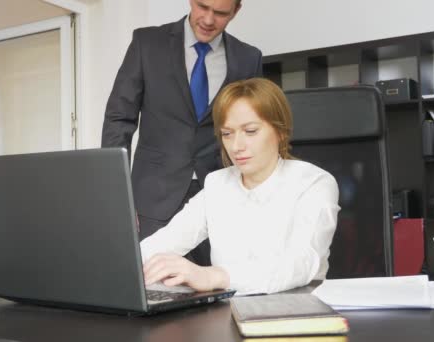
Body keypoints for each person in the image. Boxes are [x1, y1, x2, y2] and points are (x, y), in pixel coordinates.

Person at [140, 78, 341, 295]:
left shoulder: (314, 183)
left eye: (251, 131)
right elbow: (165, 241)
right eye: (227, 134)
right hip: (227, 313)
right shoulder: (217, 184)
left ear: (281, 132)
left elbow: (301, 263)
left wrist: (212, 276)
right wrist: (121, 266)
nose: (236, 147)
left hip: (294, 312)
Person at [101, 0, 262, 267]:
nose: (208, 20)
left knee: (217, 289)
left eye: (220, 13)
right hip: (152, 199)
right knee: (152, 288)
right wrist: (118, 196)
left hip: (221, 197)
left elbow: (255, 128)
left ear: (236, 11)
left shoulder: (248, 58)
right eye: (202, 6)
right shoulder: (147, 43)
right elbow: (119, 120)